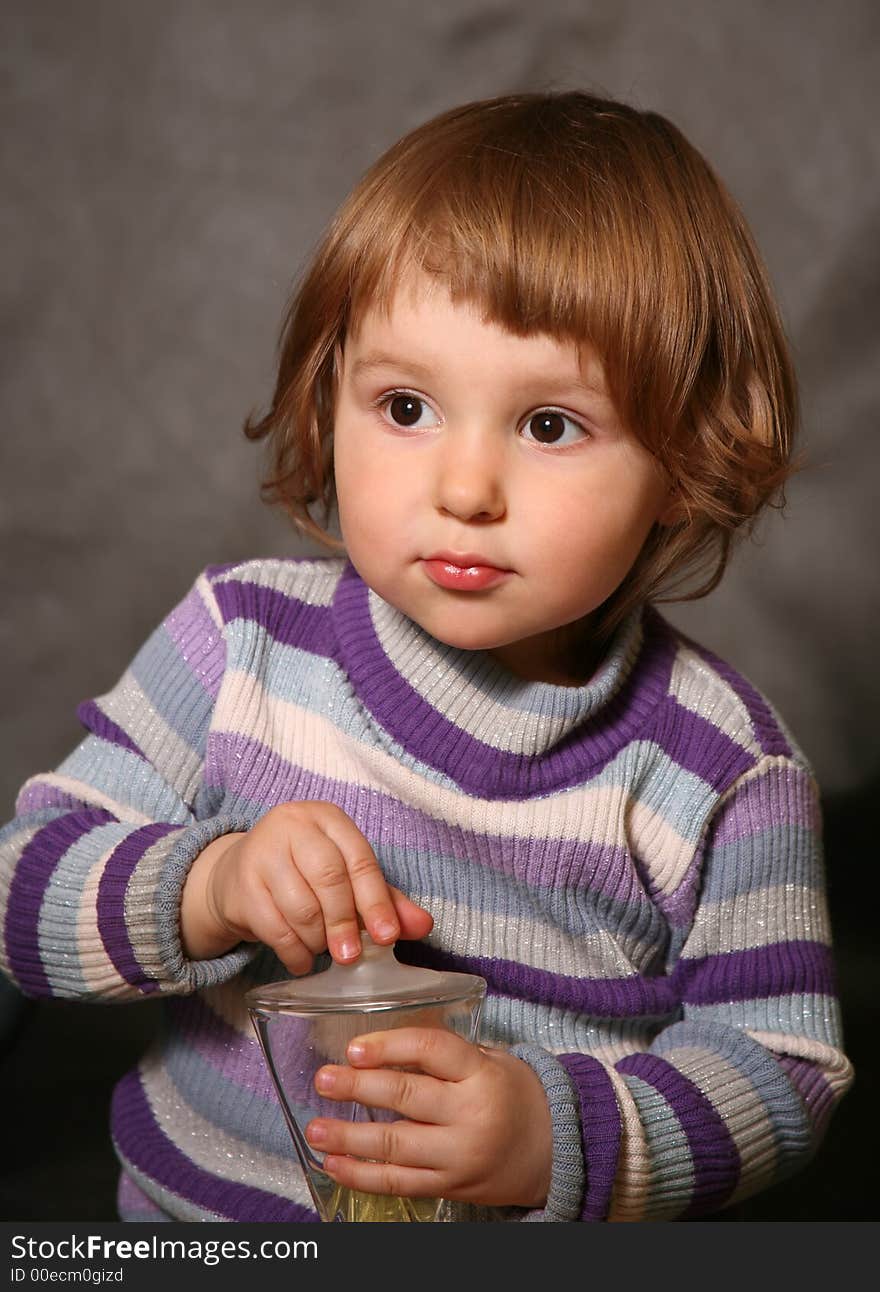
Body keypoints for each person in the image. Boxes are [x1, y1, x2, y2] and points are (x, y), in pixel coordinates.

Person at [0, 90, 853, 1223]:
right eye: (405, 404)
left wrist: (555, 1135)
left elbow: (782, 1069)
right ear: (328, 394)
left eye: (549, 424)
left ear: (685, 457)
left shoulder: (720, 771)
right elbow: (22, 890)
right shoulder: (237, 643)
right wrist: (210, 885)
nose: (462, 490)